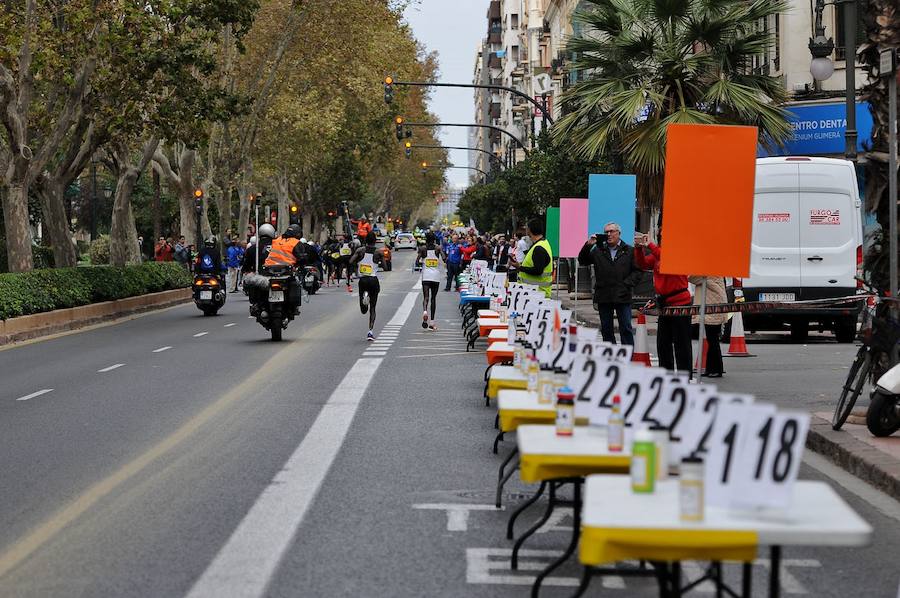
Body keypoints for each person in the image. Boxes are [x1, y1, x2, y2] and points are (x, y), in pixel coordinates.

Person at [634, 232, 693, 376]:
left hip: (680, 303)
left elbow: (667, 258)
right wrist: (638, 249)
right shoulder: (658, 252)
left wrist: (651, 245)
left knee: (682, 343)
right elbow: (643, 264)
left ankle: (685, 375)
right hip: (664, 304)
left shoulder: (677, 252)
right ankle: (666, 374)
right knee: (663, 343)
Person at [578, 222, 643, 345]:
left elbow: (638, 271)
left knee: (626, 328)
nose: (609, 234)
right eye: (606, 232)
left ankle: (627, 356)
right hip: (604, 295)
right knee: (607, 329)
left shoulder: (629, 251)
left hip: (622, 295)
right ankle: (611, 356)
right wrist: (588, 245)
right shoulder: (598, 250)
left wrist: (626, 284)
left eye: (612, 231)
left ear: (619, 233)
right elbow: (582, 260)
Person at [263, 224, 309, 316]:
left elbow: (265, 252)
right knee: (295, 284)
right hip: (286, 270)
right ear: (298, 234)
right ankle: (293, 308)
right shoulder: (295, 242)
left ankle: (263, 306)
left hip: (269, 269)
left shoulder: (276, 240)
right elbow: (302, 258)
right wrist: (300, 265)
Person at [689, 275, 727, 378]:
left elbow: (691, 277)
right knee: (712, 339)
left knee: (712, 339)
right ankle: (713, 369)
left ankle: (716, 369)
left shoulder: (708, 272)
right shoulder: (712, 270)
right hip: (713, 303)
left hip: (712, 304)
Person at [510, 218, 554, 298]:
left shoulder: (539, 248)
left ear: (530, 230)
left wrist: (520, 267)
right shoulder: (543, 243)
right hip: (536, 293)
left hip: (537, 294)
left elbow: (538, 270)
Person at [350, 231, 381, 341]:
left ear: (365, 240)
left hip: (362, 280)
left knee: (363, 310)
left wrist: (358, 264)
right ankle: (370, 331)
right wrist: (380, 262)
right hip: (373, 280)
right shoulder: (378, 252)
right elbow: (386, 266)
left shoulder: (360, 250)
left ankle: (363, 298)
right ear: (375, 240)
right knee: (372, 308)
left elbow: (351, 261)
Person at [419, 231, 442, 330]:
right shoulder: (438, 248)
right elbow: (445, 258)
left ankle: (425, 311)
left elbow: (417, 260)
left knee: (426, 297)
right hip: (435, 276)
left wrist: (422, 261)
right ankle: (432, 323)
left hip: (426, 276)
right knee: (433, 298)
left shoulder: (423, 249)